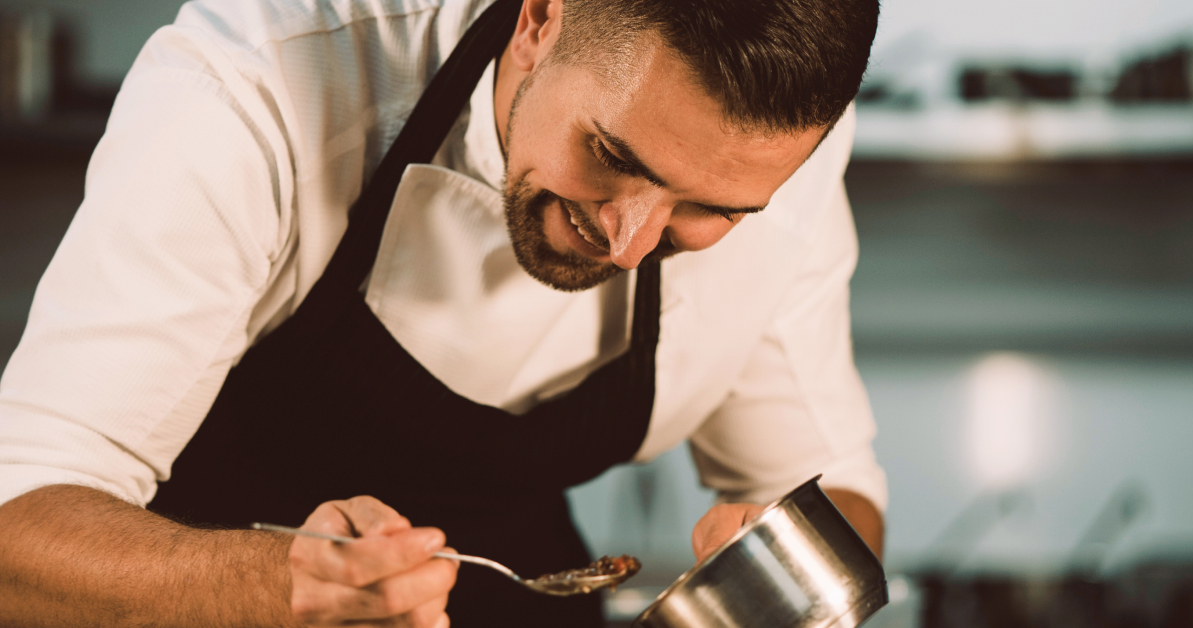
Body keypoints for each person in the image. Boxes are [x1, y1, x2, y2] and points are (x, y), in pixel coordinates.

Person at [0, 0, 884, 625]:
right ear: (540, 22)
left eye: (711, 211)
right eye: (611, 154)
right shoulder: (260, 80)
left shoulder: (779, 161)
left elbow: (830, 491)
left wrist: (776, 576)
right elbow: (16, 527)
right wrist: (280, 593)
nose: (628, 242)